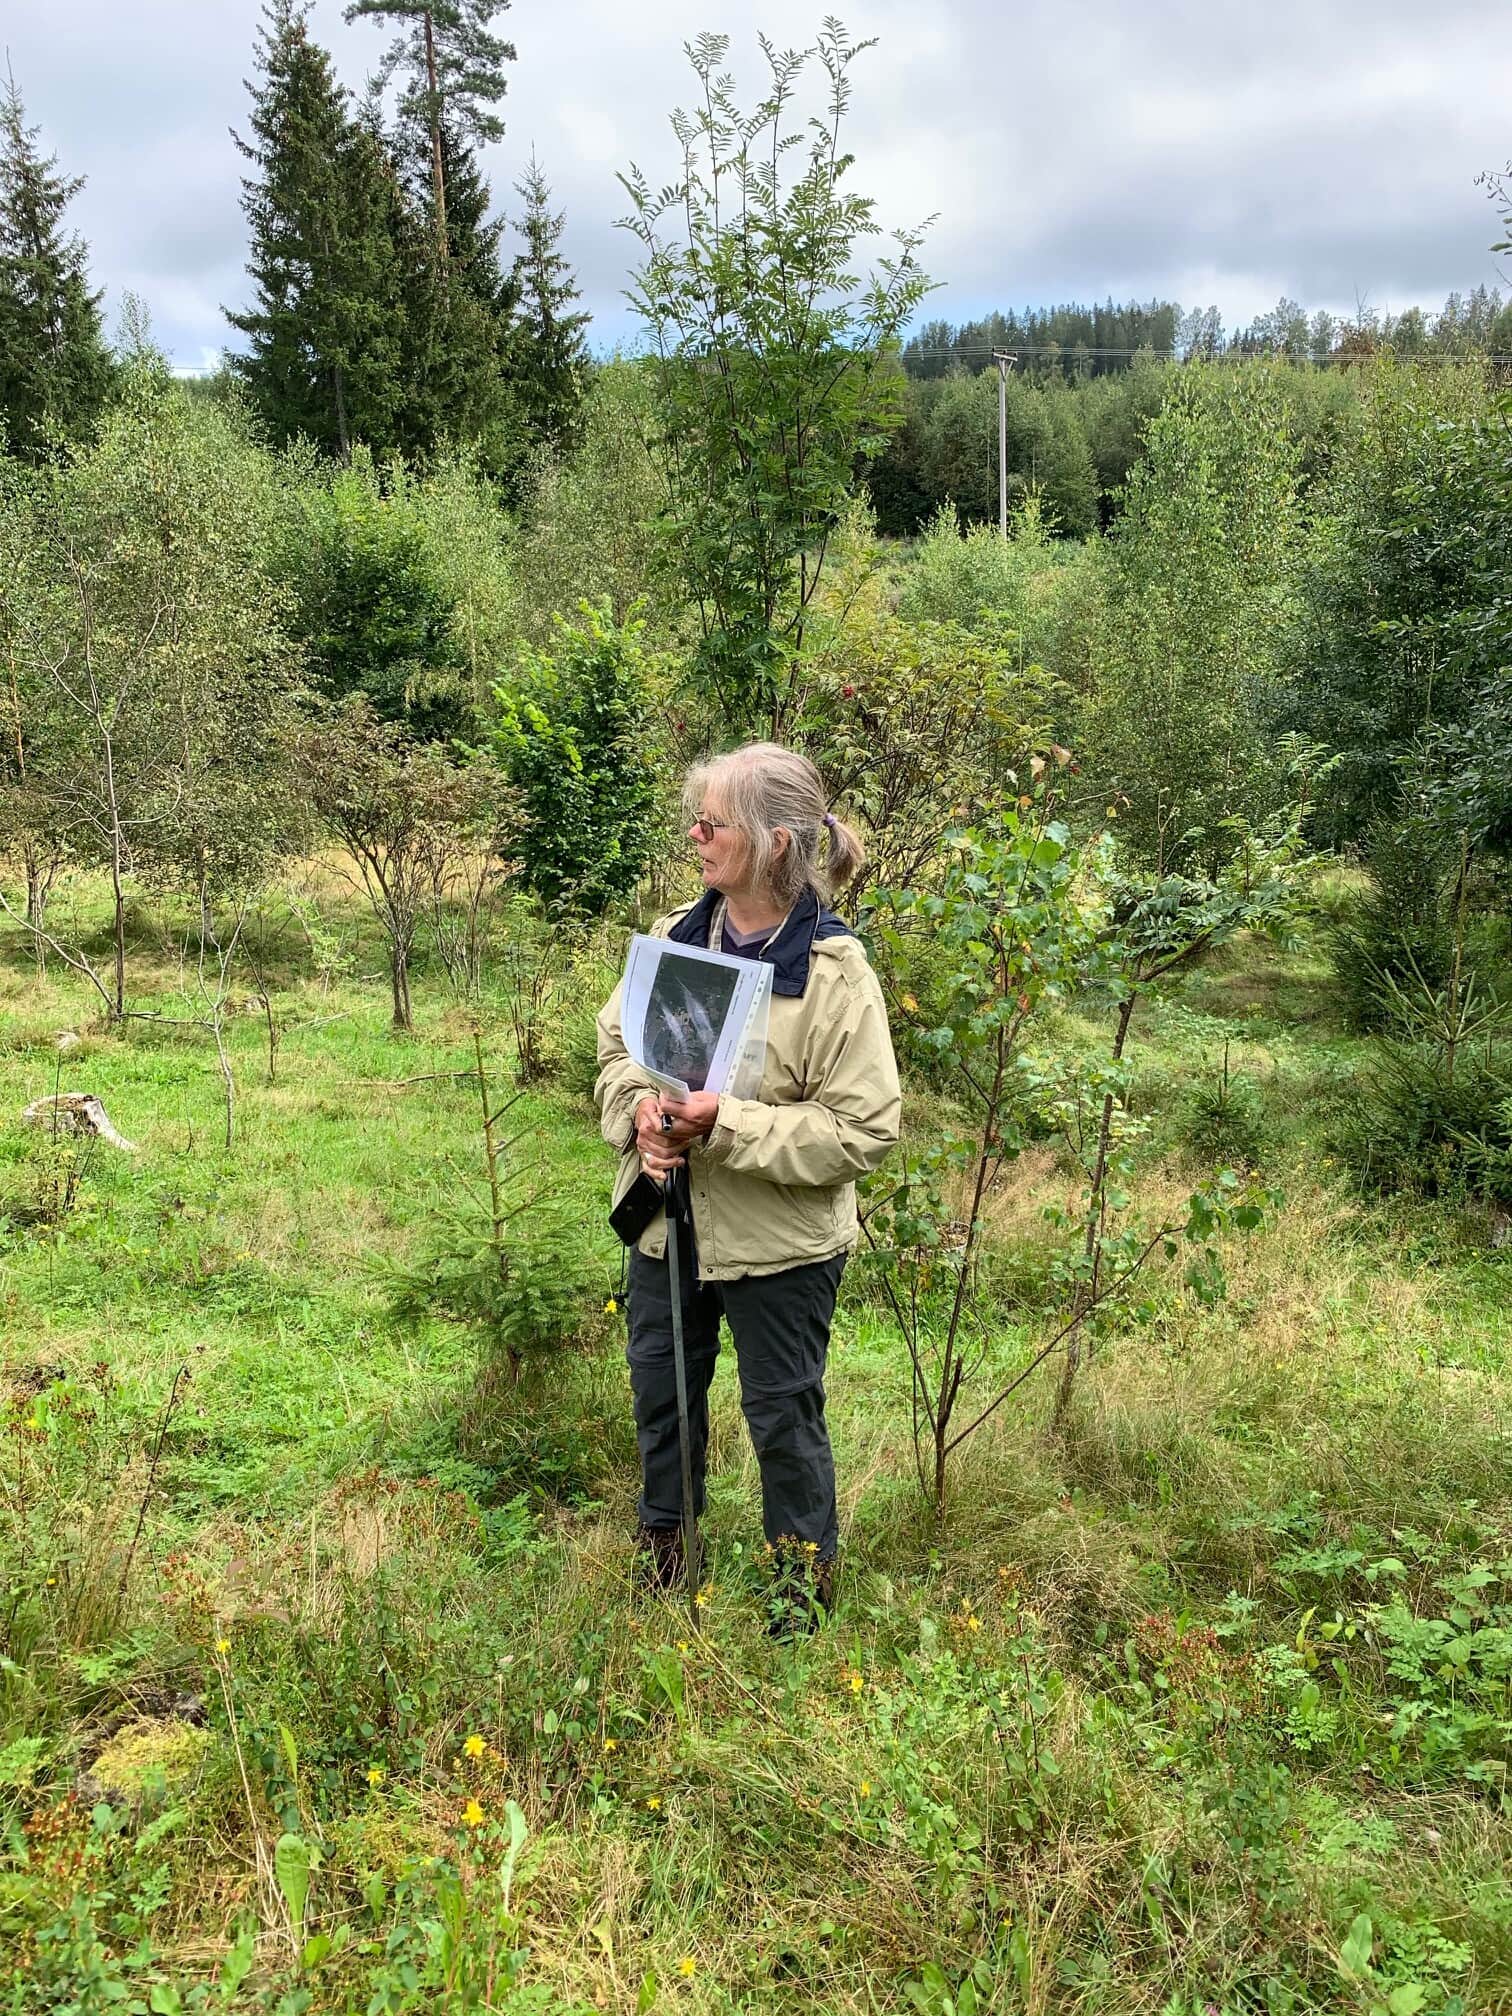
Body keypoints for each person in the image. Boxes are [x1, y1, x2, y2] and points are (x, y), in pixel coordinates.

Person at [595, 742, 901, 1629]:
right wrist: (644, 1117)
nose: (693, 834)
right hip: (667, 1225)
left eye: (712, 822)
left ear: (773, 843)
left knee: (781, 1417)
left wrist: (724, 1126)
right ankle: (666, 1567)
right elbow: (618, 1054)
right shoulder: (672, 942)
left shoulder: (835, 974)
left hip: (781, 1250)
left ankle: (798, 1595)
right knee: (662, 1396)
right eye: (696, 818)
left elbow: (863, 1128)